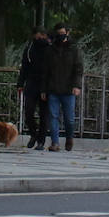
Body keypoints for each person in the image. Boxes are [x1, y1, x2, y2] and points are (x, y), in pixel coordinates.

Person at [43, 22, 82, 152]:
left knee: (69, 119)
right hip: (53, 88)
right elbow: (46, 71)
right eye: (58, 34)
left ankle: (69, 137)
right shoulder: (50, 50)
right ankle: (55, 143)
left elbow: (78, 69)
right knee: (53, 116)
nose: (60, 36)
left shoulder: (74, 49)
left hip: (68, 89)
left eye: (62, 33)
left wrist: (76, 85)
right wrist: (44, 89)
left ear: (67, 33)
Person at [15, 27, 50, 150]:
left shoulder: (49, 48)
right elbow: (24, 66)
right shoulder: (30, 48)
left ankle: (41, 140)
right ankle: (33, 134)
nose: (38, 37)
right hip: (31, 83)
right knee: (28, 111)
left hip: (45, 84)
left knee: (43, 114)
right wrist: (20, 83)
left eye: (40, 35)